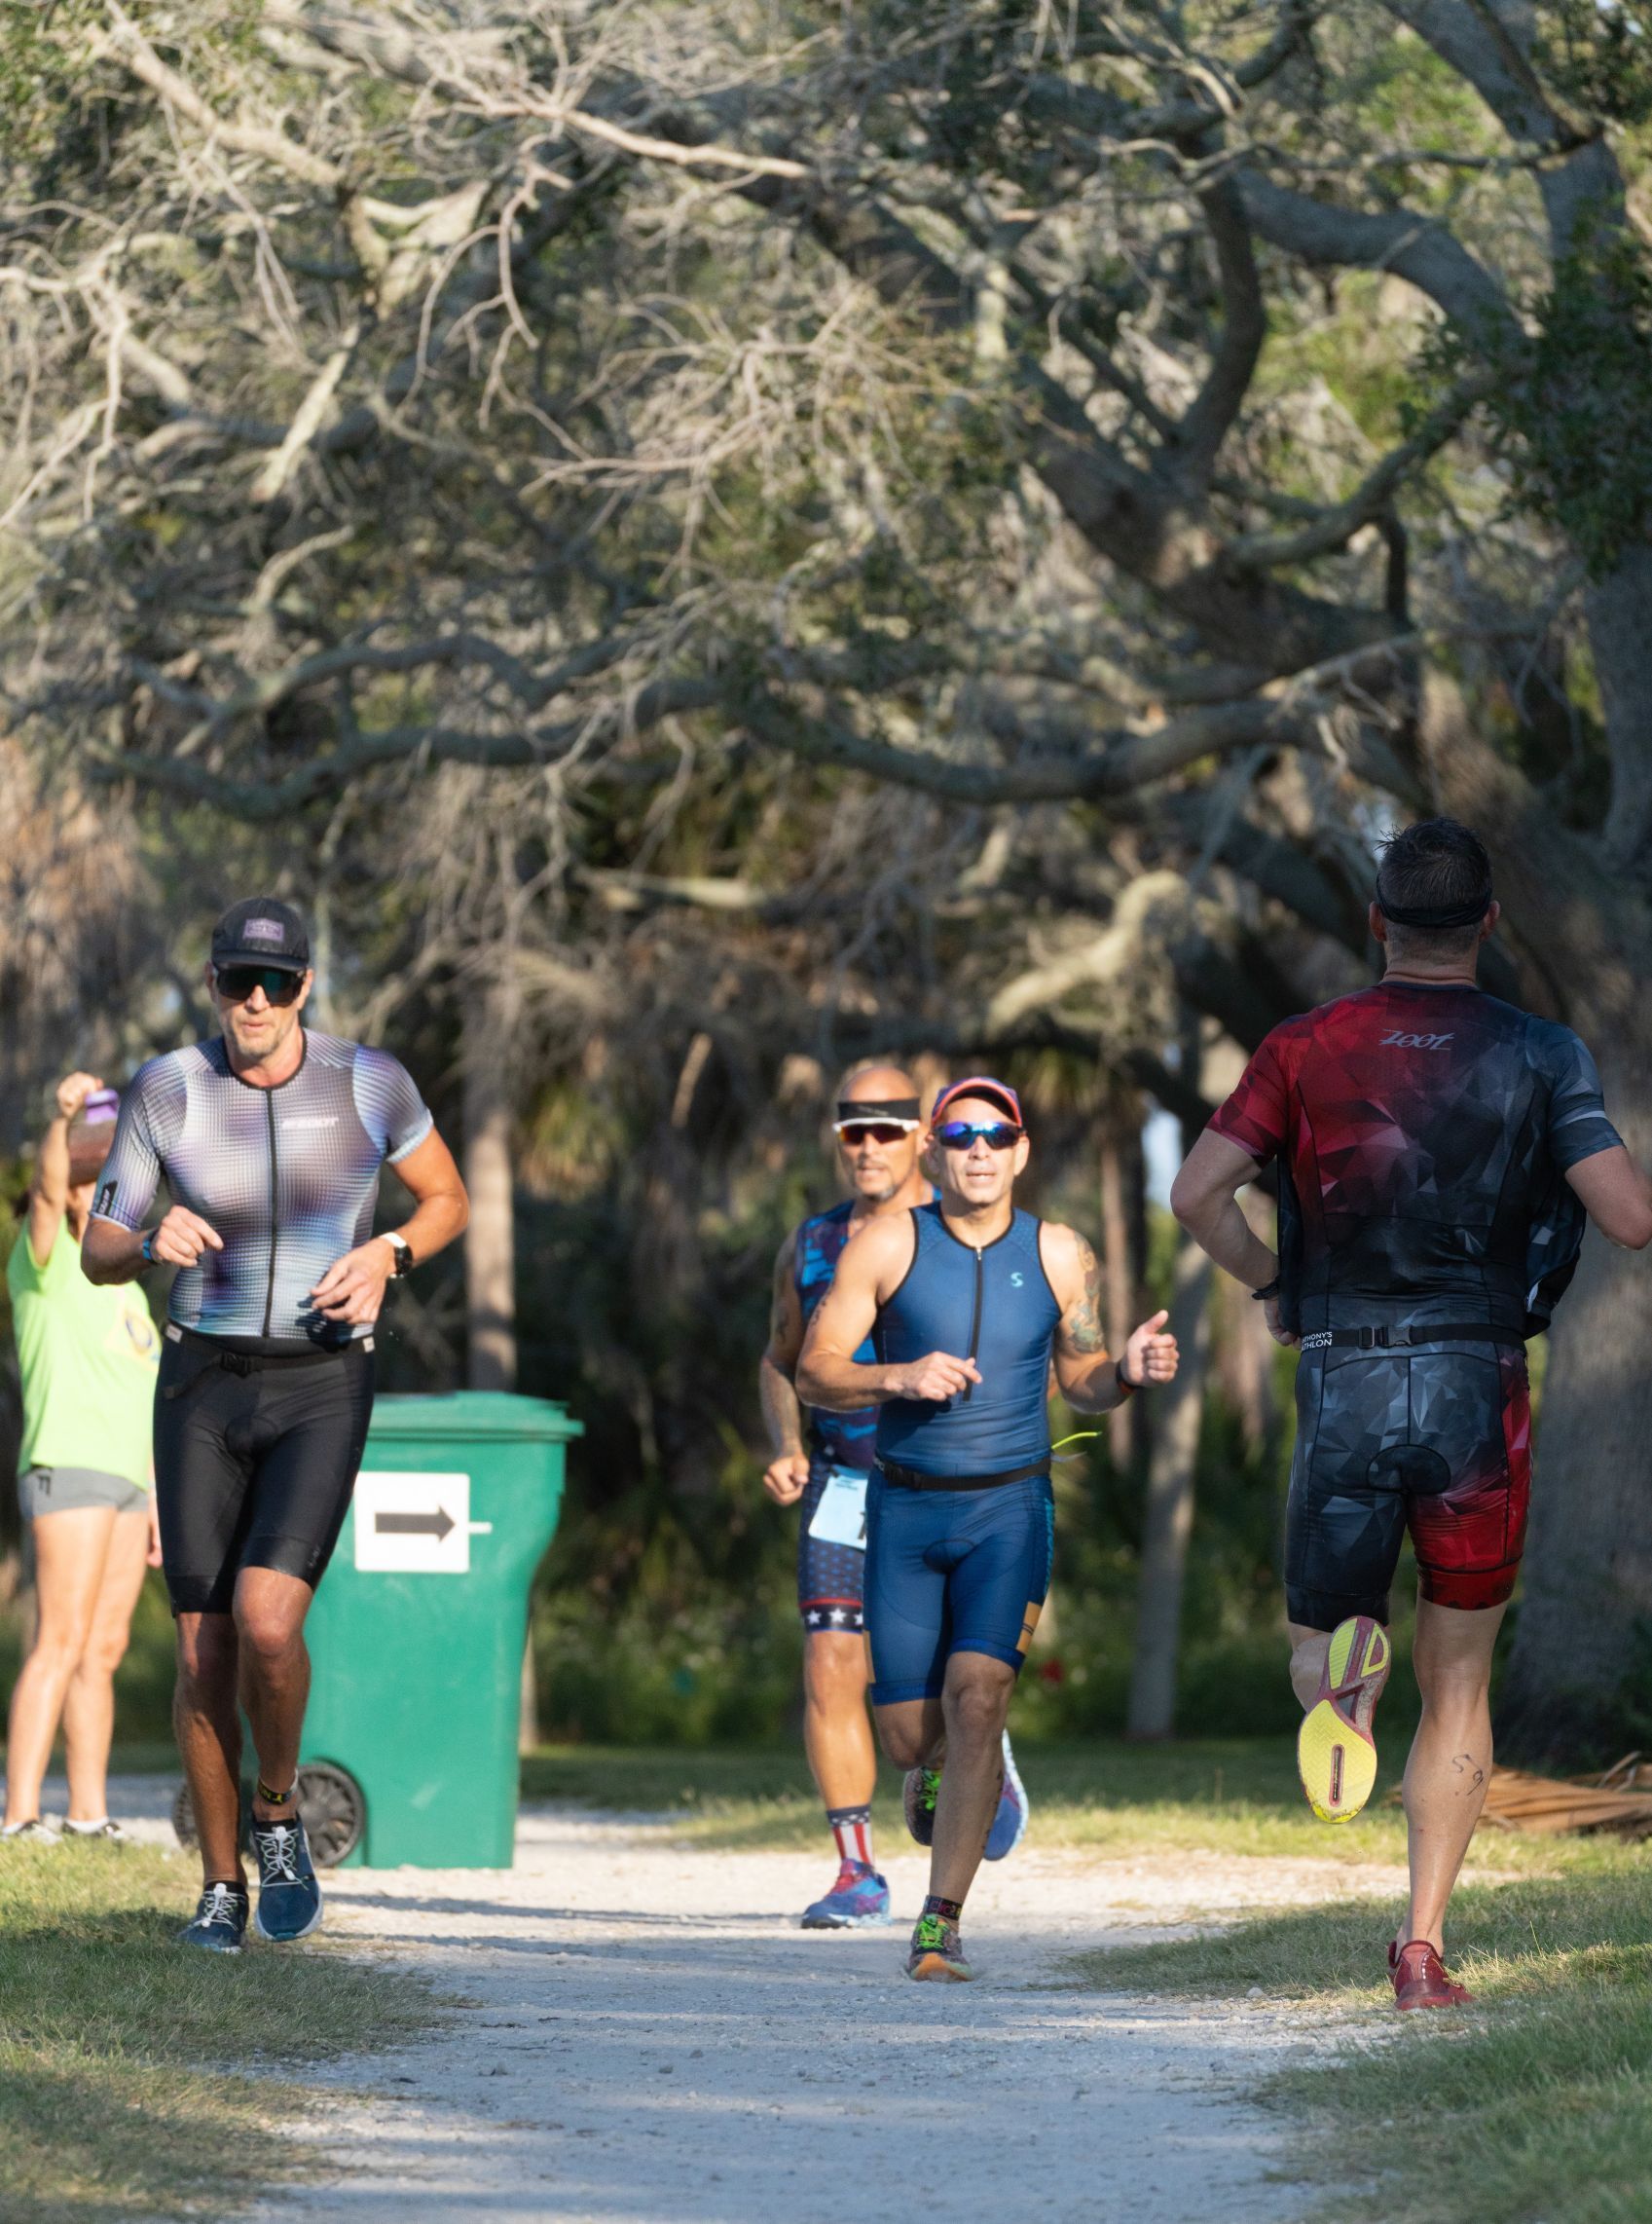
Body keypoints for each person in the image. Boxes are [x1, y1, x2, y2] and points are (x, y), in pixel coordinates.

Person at [1170, 818, 1652, 2012]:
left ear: (1375, 920)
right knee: (1462, 1680)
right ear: (1487, 921)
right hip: (1475, 1393)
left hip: (1344, 1375)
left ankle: (1337, 1675)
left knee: (1318, 1635)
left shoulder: (1301, 1044)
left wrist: (1276, 1283)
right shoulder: (1540, 1050)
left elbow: (1195, 1194)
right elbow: (1628, 1218)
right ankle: (1421, 1947)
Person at [83, 899, 468, 1951]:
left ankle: (278, 1807)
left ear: (306, 987)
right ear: (212, 982)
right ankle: (220, 1886)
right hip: (200, 1383)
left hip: (322, 1382)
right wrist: (147, 1237)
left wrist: (389, 1253)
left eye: (277, 982)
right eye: (236, 980)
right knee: (201, 1651)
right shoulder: (169, 1088)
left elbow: (446, 1199)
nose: (255, 1001)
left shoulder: (368, 1082)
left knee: (265, 1622)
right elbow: (97, 1246)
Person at [797, 1076, 1179, 1979]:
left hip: (1008, 1508)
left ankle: (939, 1923)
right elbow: (814, 1369)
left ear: (1020, 1151)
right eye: (961, 1135)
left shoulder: (1060, 1253)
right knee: (906, 1738)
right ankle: (944, 1768)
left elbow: (1082, 1378)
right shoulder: (887, 1243)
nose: (979, 1150)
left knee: (977, 1695)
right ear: (933, 1150)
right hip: (904, 1509)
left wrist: (1125, 1371)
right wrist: (896, 1378)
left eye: (996, 1135)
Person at [4, 1073, 163, 1843]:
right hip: (67, 1466)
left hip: (130, 1481)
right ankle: (19, 1815)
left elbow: (144, 1398)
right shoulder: (41, 1265)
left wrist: (156, 1496)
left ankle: (88, 1814)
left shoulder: (129, 1291)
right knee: (59, 1642)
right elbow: (43, 1189)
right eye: (85, 1183)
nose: (95, 1196)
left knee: (103, 1650)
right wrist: (65, 1118)